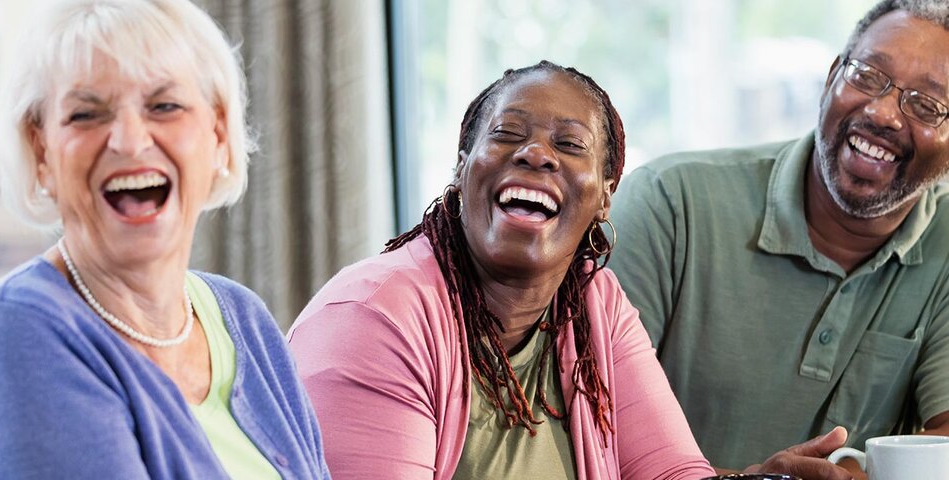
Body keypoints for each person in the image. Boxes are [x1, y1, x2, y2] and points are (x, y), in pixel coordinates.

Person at [608, 1, 949, 478]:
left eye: (925, 105)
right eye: (867, 75)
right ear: (831, 79)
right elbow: (587, 427)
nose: (883, 112)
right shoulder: (669, 203)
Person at [0, 0, 327, 478]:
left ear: (218, 134)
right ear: (41, 151)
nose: (129, 139)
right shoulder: (18, 336)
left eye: (164, 106)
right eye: (86, 115)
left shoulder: (243, 320)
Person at [288, 61, 714, 480]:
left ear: (605, 197)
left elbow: (673, 472)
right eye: (507, 134)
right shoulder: (374, 315)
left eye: (569, 144)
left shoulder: (594, 303)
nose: (535, 154)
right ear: (461, 168)